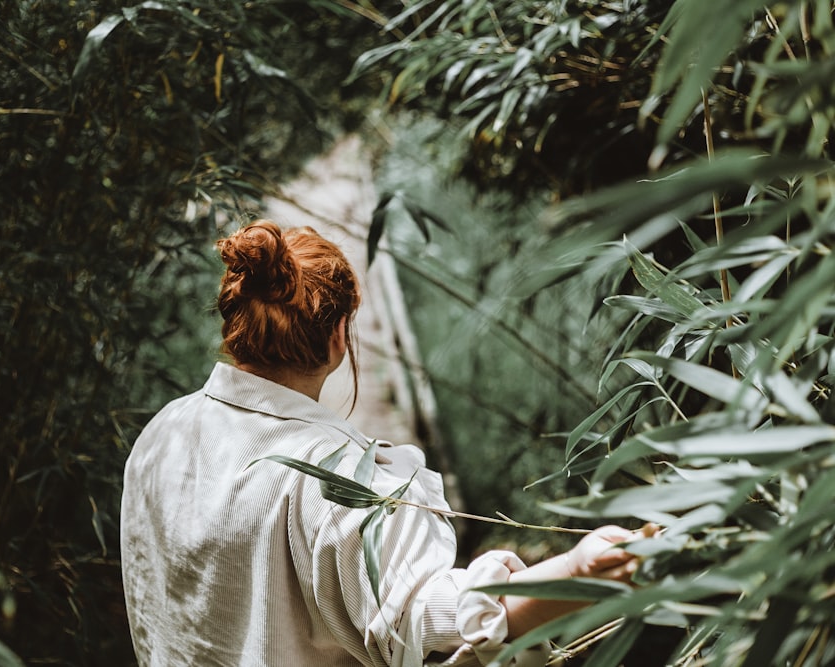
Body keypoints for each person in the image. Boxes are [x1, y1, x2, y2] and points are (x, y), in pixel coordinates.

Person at [120, 220, 648, 667]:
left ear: (236, 323)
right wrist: (576, 570)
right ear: (338, 335)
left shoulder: (161, 433)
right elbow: (427, 616)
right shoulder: (340, 480)